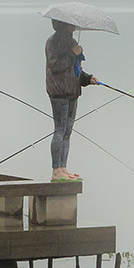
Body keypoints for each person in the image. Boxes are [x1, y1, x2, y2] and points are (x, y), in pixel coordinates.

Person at [44, 19, 96, 180]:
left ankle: (63, 167)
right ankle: (55, 170)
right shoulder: (52, 42)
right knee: (60, 130)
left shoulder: (72, 41)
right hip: (58, 91)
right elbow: (56, 66)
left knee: (68, 131)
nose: (73, 26)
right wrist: (72, 53)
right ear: (61, 24)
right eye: (70, 23)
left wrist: (88, 78)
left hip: (73, 90)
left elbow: (76, 69)